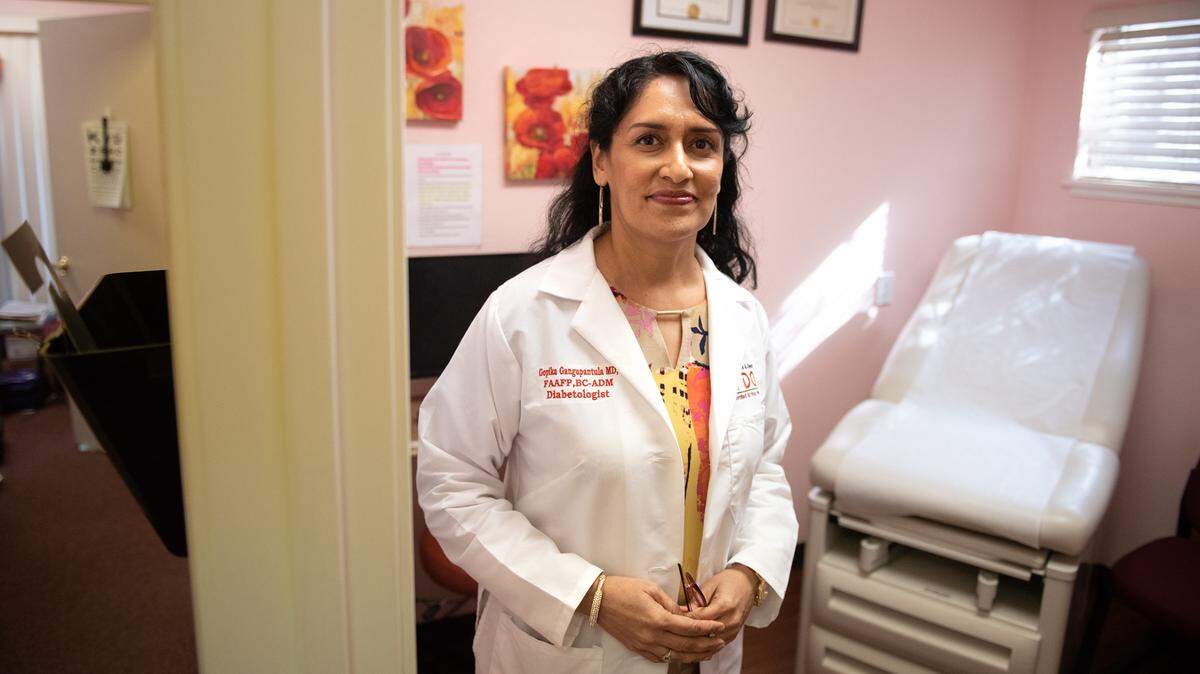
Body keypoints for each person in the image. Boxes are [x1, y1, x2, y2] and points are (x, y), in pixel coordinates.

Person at [416, 50, 797, 674]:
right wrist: (589, 596)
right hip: (572, 652)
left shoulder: (742, 318)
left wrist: (749, 573)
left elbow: (765, 472)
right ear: (601, 160)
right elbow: (453, 483)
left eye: (702, 144)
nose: (679, 167)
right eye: (650, 140)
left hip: (705, 654)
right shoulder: (524, 313)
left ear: (721, 167)